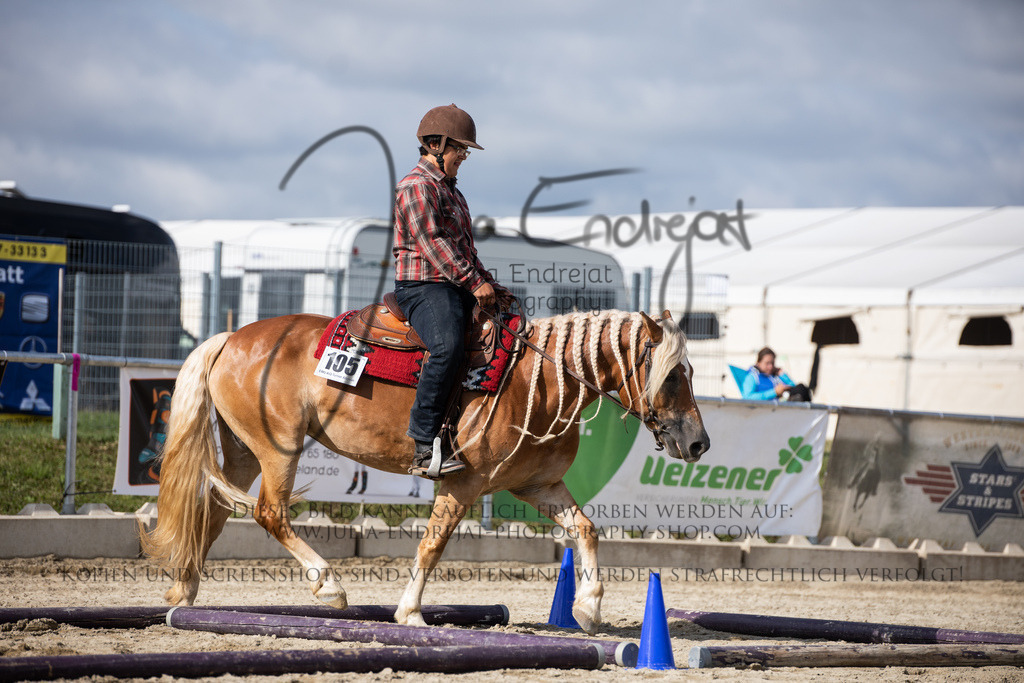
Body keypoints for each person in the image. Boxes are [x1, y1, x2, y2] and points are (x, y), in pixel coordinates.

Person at [391, 104, 513, 480]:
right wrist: (474, 282)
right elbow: (433, 242)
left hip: (452, 282)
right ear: (436, 145)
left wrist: (490, 282)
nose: (464, 156)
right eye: (460, 148)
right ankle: (424, 443)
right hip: (423, 286)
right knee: (447, 347)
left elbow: (465, 250)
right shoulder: (416, 186)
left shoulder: (452, 192)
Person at [741, 347, 812, 402]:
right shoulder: (752, 377)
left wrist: (783, 375)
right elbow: (747, 397)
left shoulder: (774, 376)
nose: (770, 367)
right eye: (767, 363)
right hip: (766, 408)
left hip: (782, 403)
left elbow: (794, 387)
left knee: (801, 389)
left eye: (772, 363)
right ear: (758, 363)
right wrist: (774, 392)